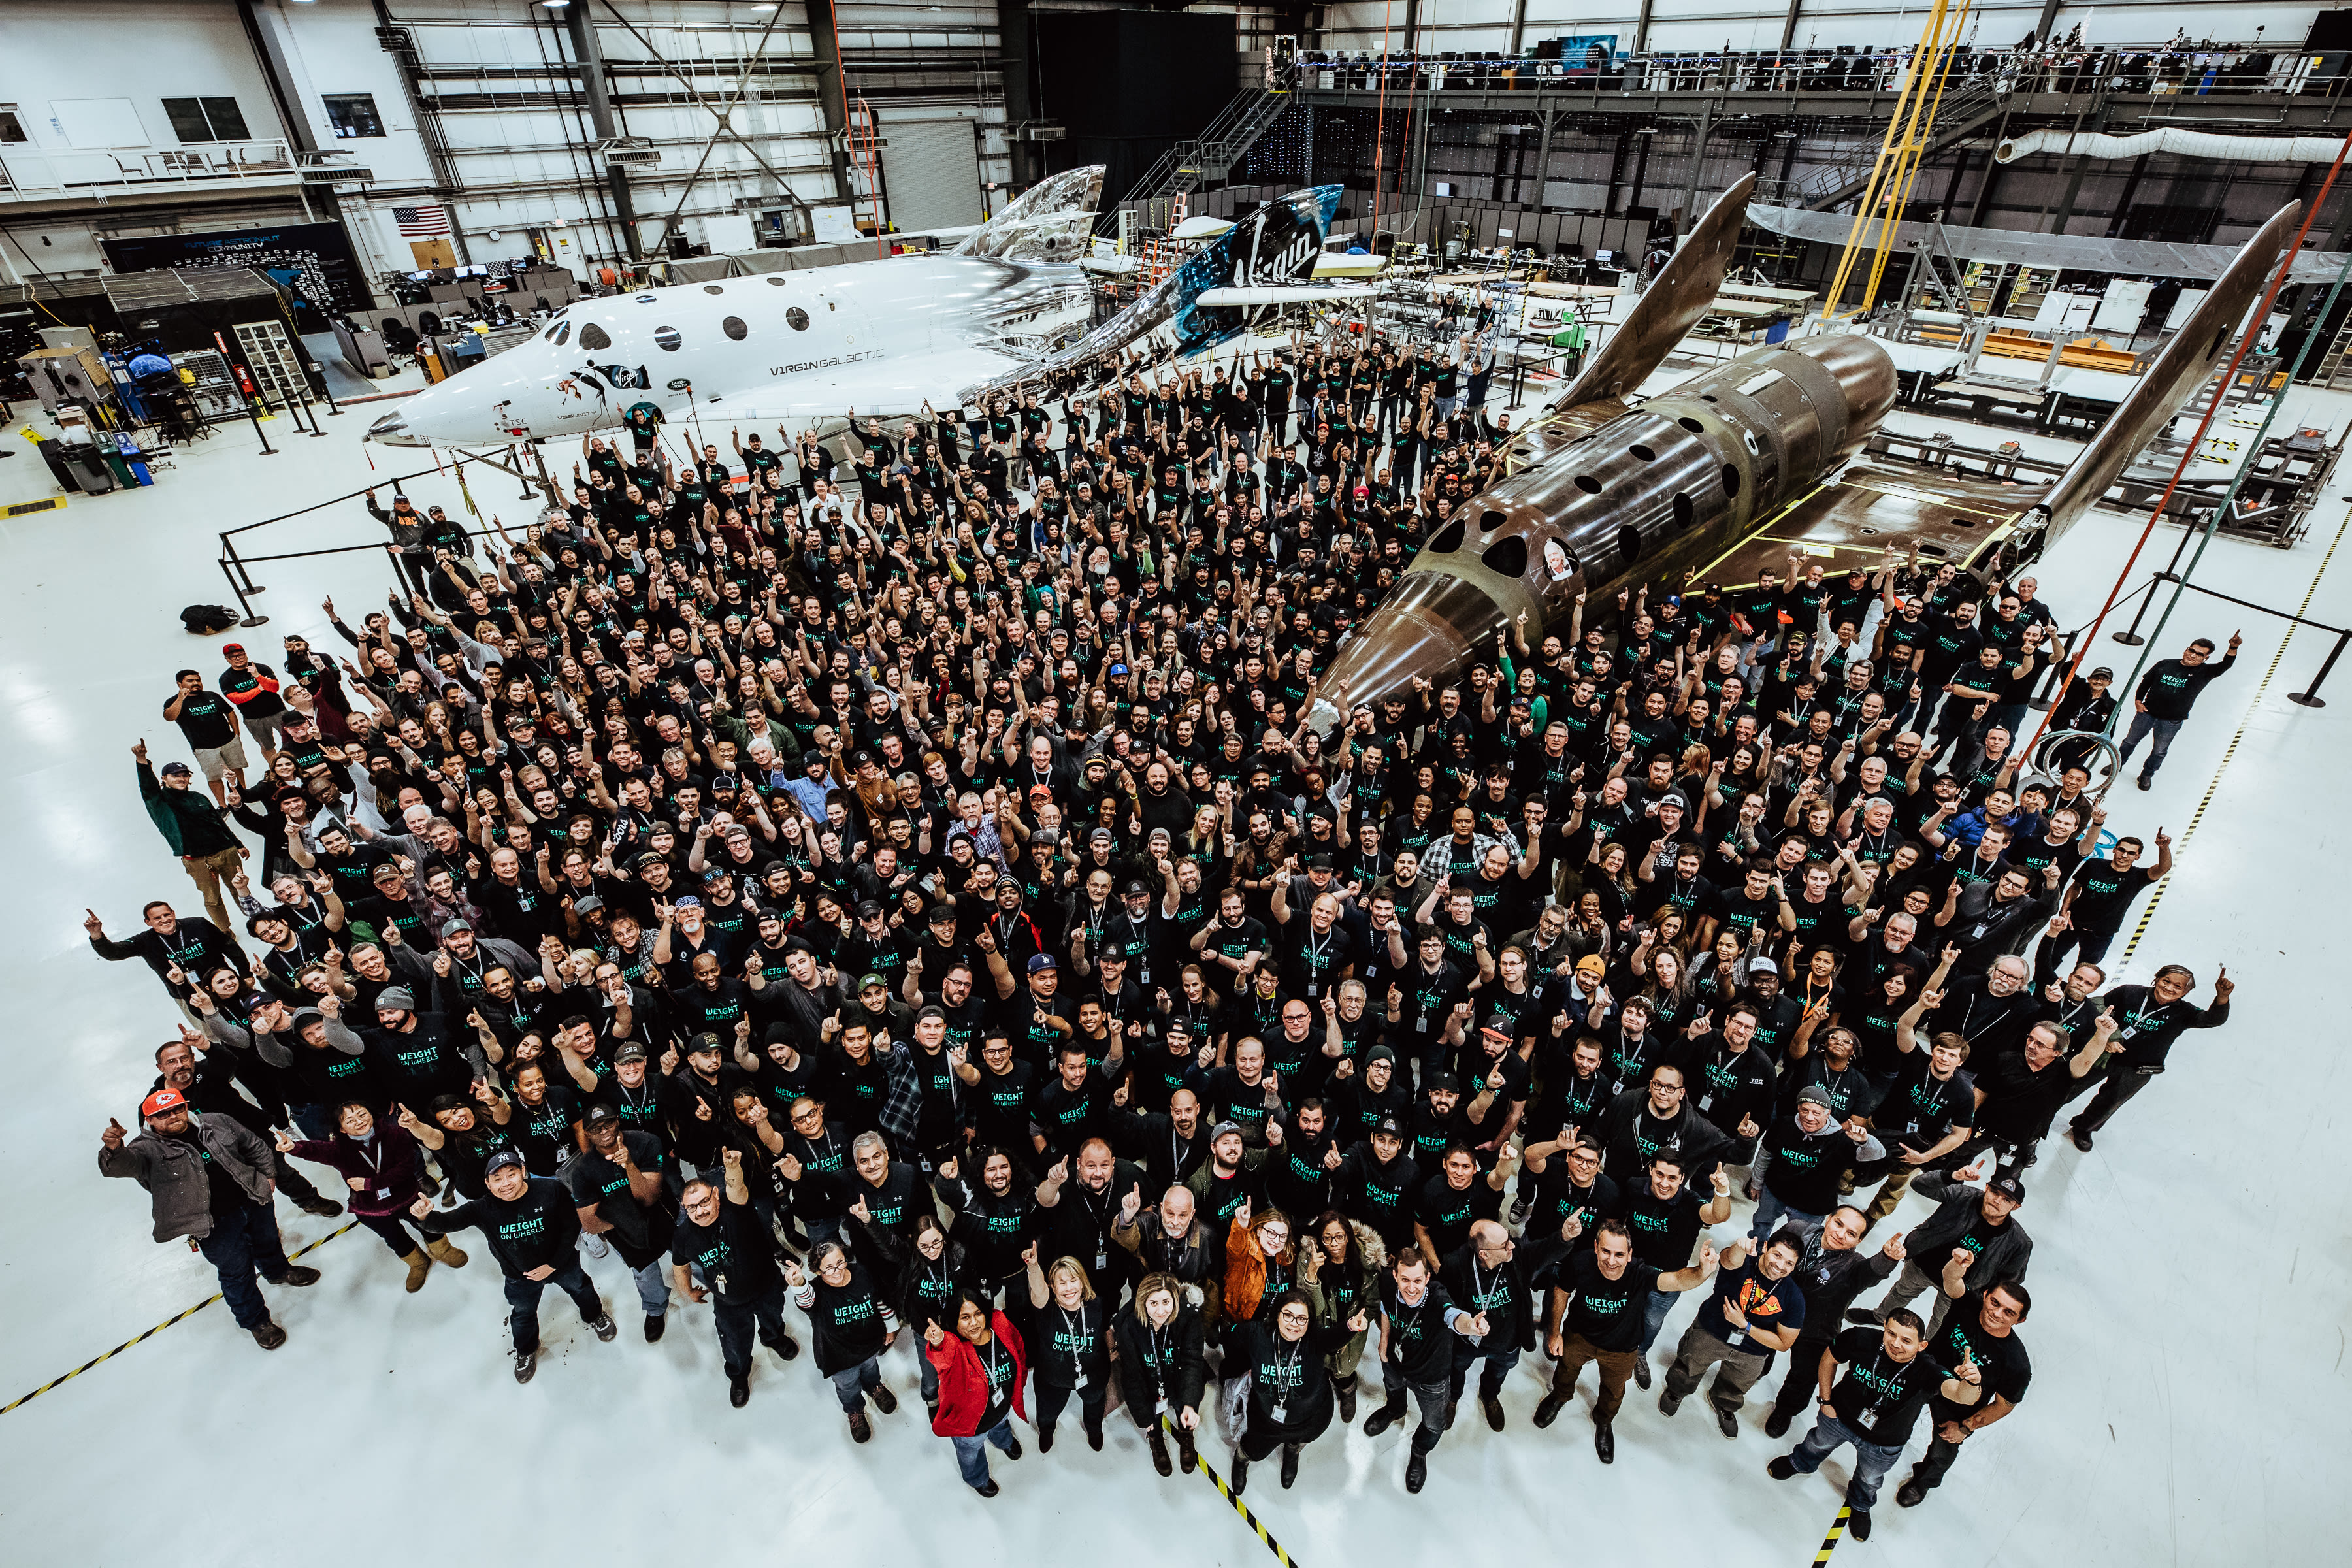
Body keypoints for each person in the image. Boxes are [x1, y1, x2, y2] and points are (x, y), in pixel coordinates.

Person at [99, 1088, 320, 1350]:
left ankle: (279, 1271)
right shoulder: (144, 1150)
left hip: (252, 1199)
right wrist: (113, 1149)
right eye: (162, 1114)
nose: (173, 1116)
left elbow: (254, 1145)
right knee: (236, 1271)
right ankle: (256, 1321)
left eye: (177, 1109)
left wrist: (268, 1177)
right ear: (150, 1121)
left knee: (268, 1240)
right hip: (211, 1224)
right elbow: (119, 1167)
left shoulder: (216, 1121)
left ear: (186, 1107)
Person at [1766, 1310, 1987, 1541]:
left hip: (1883, 1442)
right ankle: (1799, 1463)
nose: (1896, 1344)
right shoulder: (1860, 1338)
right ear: (1884, 1327)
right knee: (1815, 1443)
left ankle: (1860, 1505)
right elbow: (1830, 1358)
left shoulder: (1927, 1370)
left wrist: (1973, 1382)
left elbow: (1964, 1396)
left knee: (1870, 1479)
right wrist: (1825, 1400)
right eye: (1891, 1333)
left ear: (1921, 1346)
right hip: (1838, 1417)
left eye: (1906, 1340)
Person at [410, 1148, 616, 1383]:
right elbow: (447, 1222)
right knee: (522, 1313)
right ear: (487, 1184)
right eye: (497, 1179)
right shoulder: (482, 1208)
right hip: (519, 1277)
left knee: (581, 1289)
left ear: (524, 1172)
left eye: (511, 1174)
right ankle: (526, 1350)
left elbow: (571, 1228)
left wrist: (553, 1265)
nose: (506, 1183)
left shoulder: (551, 1190)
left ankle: (595, 1316)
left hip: (562, 1264)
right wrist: (425, 1217)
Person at [1535, 1217, 1720, 1462]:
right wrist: (1555, 1332)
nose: (1612, 1261)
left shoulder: (1641, 1273)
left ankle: (1603, 1421)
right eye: (1606, 1252)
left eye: (1619, 1254)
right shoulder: (1579, 1263)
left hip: (1621, 1348)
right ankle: (1559, 1396)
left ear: (1630, 1254)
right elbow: (1561, 1291)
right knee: (1566, 1370)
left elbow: (1675, 1280)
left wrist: (1701, 1271)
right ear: (1596, 1248)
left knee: (1614, 1391)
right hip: (1579, 1336)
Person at [278, 1101, 464, 1292]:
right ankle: (417, 1263)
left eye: (362, 1114)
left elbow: (406, 1169)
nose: (359, 1121)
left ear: (371, 1113)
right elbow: (316, 1150)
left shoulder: (395, 1134)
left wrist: (370, 1184)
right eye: (350, 1120)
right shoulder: (339, 1148)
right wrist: (294, 1147)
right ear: (342, 1129)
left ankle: (444, 1250)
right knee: (393, 1236)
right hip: (370, 1207)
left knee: (426, 1223)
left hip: (406, 1195)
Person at [672, 1149, 801, 1407]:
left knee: (774, 1319)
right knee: (734, 1345)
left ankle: (773, 1338)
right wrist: (688, 1291)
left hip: (766, 1287)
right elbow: (681, 1266)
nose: (700, 1211)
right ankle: (740, 1375)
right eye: (692, 1208)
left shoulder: (737, 1208)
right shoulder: (684, 1235)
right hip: (729, 1303)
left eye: (704, 1202)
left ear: (716, 1195)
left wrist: (732, 1167)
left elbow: (737, 1185)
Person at [2067, 962, 2234, 1151]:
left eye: (2178, 986)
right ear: (2157, 979)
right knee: (2071, 1085)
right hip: (2103, 1055)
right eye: (2166, 981)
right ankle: (2044, 1110)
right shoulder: (2128, 992)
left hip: (2138, 1069)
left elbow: (2212, 1020)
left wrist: (2222, 998)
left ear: (2186, 992)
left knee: (2109, 1102)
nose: (2169, 988)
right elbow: (2099, 1008)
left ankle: (2084, 1128)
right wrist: (2109, 1038)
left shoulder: (2184, 1013)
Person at [1658, 1229, 1806, 1438]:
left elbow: (1783, 1343)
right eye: (1777, 1255)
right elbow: (1728, 1260)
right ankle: (1676, 1391)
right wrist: (1739, 1246)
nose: (1780, 1266)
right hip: (1712, 1331)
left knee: (1736, 1385)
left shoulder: (1794, 1297)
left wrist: (1745, 1326)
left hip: (1752, 1351)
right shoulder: (1744, 1262)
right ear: (1765, 1248)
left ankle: (1724, 1404)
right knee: (1689, 1365)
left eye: (1789, 1263)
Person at [1897, 1280, 2033, 1508]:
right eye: (1994, 1302)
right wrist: (1958, 1263)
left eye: (2009, 1312)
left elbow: (2003, 1405)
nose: (1997, 1313)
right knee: (1893, 1407)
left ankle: (1923, 1482)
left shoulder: (2016, 1363)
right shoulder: (1967, 1303)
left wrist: (1965, 1427)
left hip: (1961, 1403)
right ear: (1986, 1295)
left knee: (1944, 1450)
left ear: (2020, 1320)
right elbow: (1951, 1279)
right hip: (1927, 1372)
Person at [1226, 1286, 1369, 1494]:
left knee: (1297, 1444)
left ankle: (1292, 1453)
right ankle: (1243, 1461)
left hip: (1310, 1421)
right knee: (1253, 1450)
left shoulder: (1314, 1339)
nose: (1294, 1323)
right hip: (1265, 1421)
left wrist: (1350, 1327)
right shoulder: (1257, 1332)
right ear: (1277, 1315)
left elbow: (1332, 1338)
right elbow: (1230, 1338)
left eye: (1302, 1318)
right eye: (1288, 1315)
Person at [789, 1240, 902, 1441]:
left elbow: (880, 1300)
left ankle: (874, 1387)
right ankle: (855, 1409)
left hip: (869, 1346)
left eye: (840, 1263)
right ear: (817, 1271)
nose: (837, 1271)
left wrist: (891, 1328)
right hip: (838, 1356)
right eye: (829, 1268)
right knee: (848, 1386)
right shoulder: (816, 1291)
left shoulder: (862, 1273)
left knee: (871, 1370)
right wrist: (799, 1284)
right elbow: (806, 1301)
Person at [132, 740, 248, 934]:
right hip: (197, 860)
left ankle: (256, 919)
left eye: (185, 775)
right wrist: (141, 759)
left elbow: (220, 824)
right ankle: (225, 932)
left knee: (240, 889)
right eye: (175, 776)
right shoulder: (159, 801)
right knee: (213, 899)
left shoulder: (199, 798)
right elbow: (148, 787)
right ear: (164, 779)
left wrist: (238, 845)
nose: (181, 778)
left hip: (226, 852)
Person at [924, 1288, 1029, 1497]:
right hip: (970, 1425)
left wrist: (1020, 1383)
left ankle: (1004, 1441)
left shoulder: (999, 1324)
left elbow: (1018, 1350)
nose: (973, 1323)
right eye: (965, 1317)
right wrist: (937, 1342)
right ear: (955, 1320)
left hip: (1001, 1406)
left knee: (1001, 1425)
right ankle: (977, 1478)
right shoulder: (953, 1344)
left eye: (978, 1314)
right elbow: (942, 1357)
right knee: (970, 1454)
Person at [1115, 1270, 1209, 1475]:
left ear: (1175, 1300)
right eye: (1153, 1303)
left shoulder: (1188, 1319)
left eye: (1166, 1302)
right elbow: (1131, 1376)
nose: (1160, 1311)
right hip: (1149, 1388)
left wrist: (1189, 1404)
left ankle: (1186, 1435)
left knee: (1183, 1411)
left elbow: (1193, 1362)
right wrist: (1144, 1418)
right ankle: (1156, 1439)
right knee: (1152, 1421)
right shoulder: (1130, 1327)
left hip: (1178, 1382)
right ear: (1143, 1302)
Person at [2119, 632, 2239, 788]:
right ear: (2186, 649)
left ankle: (2147, 775)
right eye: (2192, 650)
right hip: (2147, 713)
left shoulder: (2205, 672)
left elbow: (2225, 665)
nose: (2193, 655)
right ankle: (2117, 764)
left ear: (2206, 658)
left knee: (2159, 751)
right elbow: (2146, 682)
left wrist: (2233, 647)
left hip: (2171, 721)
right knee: (2129, 741)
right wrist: (2138, 701)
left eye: (2199, 654)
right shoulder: (2165, 664)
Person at [1022, 1247, 1111, 1450]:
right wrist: (1034, 1268)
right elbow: (1038, 1289)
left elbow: (1106, 1330)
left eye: (1073, 1280)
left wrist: (1112, 1350)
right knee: (1047, 1412)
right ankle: (1046, 1431)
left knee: (1094, 1406)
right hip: (1052, 1379)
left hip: (1092, 1376)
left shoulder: (1097, 1305)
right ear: (1053, 1286)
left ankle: (1094, 1428)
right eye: (1062, 1283)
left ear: (1082, 1281)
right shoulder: (1046, 1309)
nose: (1069, 1288)